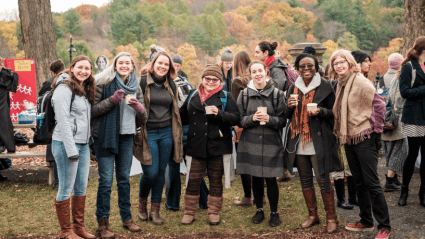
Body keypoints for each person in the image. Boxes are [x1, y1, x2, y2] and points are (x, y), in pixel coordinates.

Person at [329, 50, 391, 239]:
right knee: (358, 182)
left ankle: (385, 226)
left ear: (349, 63)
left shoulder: (361, 81)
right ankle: (366, 221)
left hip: (364, 137)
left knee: (372, 182)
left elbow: (379, 104)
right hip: (349, 137)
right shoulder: (342, 83)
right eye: (335, 63)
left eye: (342, 62)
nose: (338, 66)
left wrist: (375, 128)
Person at [284, 53, 341, 234]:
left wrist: (320, 112)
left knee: (323, 179)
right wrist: (288, 106)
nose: (306, 69)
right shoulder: (293, 87)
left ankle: (331, 218)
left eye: (310, 65)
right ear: (297, 69)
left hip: (319, 140)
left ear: (316, 67)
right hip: (298, 140)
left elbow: (334, 112)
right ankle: (313, 215)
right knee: (305, 179)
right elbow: (285, 115)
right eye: (302, 66)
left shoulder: (325, 86)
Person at [92, 52, 146, 238]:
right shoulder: (103, 83)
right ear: (115, 65)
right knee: (106, 181)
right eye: (120, 62)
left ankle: (127, 219)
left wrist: (139, 108)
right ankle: (103, 223)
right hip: (105, 137)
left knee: (124, 180)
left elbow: (144, 115)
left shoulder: (135, 86)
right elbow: (93, 110)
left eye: (127, 63)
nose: (124, 65)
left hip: (126, 138)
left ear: (132, 66)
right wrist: (112, 100)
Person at [180, 64, 239, 226]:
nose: (211, 82)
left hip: (217, 145)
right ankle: (189, 212)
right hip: (196, 145)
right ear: (202, 79)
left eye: (215, 79)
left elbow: (235, 118)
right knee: (193, 179)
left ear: (220, 80)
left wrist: (219, 114)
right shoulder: (193, 94)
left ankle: (213, 212)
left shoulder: (225, 96)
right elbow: (182, 115)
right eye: (208, 78)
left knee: (215, 180)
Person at [236, 60, 286, 227]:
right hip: (250, 142)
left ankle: (274, 212)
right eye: (254, 72)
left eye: (260, 71)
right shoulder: (243, 95)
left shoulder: (278, 94)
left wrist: (269, 120)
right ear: (251, 74)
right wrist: (252, 119)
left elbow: (282, 121)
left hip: (271, 141)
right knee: (256, 178)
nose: (257, 74)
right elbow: (240, 120)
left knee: (271, 179)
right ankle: (259, 210)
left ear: (266, 72)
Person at [51, 55, 96, 239]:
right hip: (65, 144)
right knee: (66, 187)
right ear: (71, 67)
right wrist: (71, 151)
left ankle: (79, 227)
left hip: (83, 145)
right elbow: (62, 122)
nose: (83, 71)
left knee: (81, 187)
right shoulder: (64, 88)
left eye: (87, 68)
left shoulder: (83, 88)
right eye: (80, 67)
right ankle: (66, 231)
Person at [136, 51, 183, 225]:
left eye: (166, 64)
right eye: (160, 63)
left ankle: (155, 210)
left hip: (166, 133)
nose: (163, 67)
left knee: (161, 172)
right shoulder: (141, 82)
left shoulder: (172, 84)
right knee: (151, 172)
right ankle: (142, 203)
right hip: (148, 133)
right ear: (153, 63)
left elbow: (175, 109)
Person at [254, 41, 292, 181]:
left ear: (265, 53)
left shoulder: (275, 67)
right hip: (274, 106)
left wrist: (263, 83)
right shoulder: (271, 65)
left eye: (257, 52)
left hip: (276, 108)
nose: (255, 55)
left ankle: (280, 172)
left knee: (274, 140)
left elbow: (279, 85)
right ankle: (282, 171)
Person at [397, 37, 425, 208]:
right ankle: (404, 190)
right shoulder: (409, 67)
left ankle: (423, 191)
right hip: (414, 116)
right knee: (412, 154)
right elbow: (405, 92)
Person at [230, 50, 253, 207]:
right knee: (257, 160)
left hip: (241, 125)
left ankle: (247, 197)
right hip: (256, 123)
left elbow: (236, 106)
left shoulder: (236, 82)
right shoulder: (256, 78)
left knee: (244, 162)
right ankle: (261, 195)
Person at [39, 59, 65, 191]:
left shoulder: (48, 83)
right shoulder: (71, 82)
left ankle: (57, 182)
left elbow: (41, 101)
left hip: (53, 122)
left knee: (55, 152)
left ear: (52, 71)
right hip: (69, 122)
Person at [382, 53, 406, 192]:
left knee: (389, 150)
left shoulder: (381, 79)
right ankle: (390, 181)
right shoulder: (400, 78)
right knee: (400, 149)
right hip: (397, 118)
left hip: (384, 118)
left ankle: (393, 178)